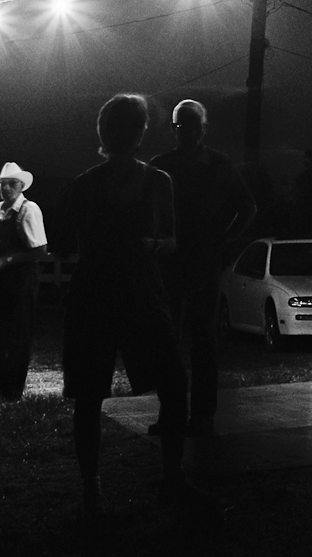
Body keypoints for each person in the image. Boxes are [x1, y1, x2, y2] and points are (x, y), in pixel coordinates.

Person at [52, 93, 195, 520]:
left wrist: (150, 244)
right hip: (109, 296)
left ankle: (164, 482)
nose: (131, 134)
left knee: (169, 385)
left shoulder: (155, 182)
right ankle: (98, 490)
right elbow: (60, 243)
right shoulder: (87, 183)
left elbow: (171, 240)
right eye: (129, 127)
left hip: (131, 294)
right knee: (93, 396)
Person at [150, 99, 257, 436]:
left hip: (200, 263)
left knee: (201, 340)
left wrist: (224, 244)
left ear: (203, 130)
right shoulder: (162, 166)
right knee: (172, 341)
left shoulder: (216, 165)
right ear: (174, 128)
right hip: (174, 262)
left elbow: (248, 207)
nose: (189, 133)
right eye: (183, 127)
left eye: (194, 127)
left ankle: (200, 416)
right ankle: (175, 414)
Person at [0, 162, 48, 402]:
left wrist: (7, 260)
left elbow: (40, 250)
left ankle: (11, 390)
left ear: (21, 185)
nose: (6, 188)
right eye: (3, 184)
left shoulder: (28, 209)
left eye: (11, 183)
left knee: (17, 332)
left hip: (21, 279)